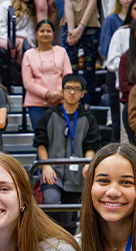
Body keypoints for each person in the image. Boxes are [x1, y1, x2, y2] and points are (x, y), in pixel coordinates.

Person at [34, 74, 100, 234]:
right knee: (51, 202)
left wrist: (87, 163)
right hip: (52, 172)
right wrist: (45, 166)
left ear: (82, 94)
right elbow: (40, 143)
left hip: (77, 174)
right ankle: (51, 237)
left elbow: (91, 145)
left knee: (71, 215)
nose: (72, 92)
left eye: (77, 89)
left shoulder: (88, 118)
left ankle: (67, 243)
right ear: (62, 91)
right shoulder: (50, 115)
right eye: (68, 88)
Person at [21, 21, 72, 130]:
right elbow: (28, 82)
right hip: (36, 103)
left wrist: (58, 93)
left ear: (53, 34)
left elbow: (68, 77)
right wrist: (47, 94)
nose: (45, 33)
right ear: (36, 34)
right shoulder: (28, 54)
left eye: (48, 31)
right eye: (42, 31)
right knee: (41, 137)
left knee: (60, 136)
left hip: (60, 101)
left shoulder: (61, 51)